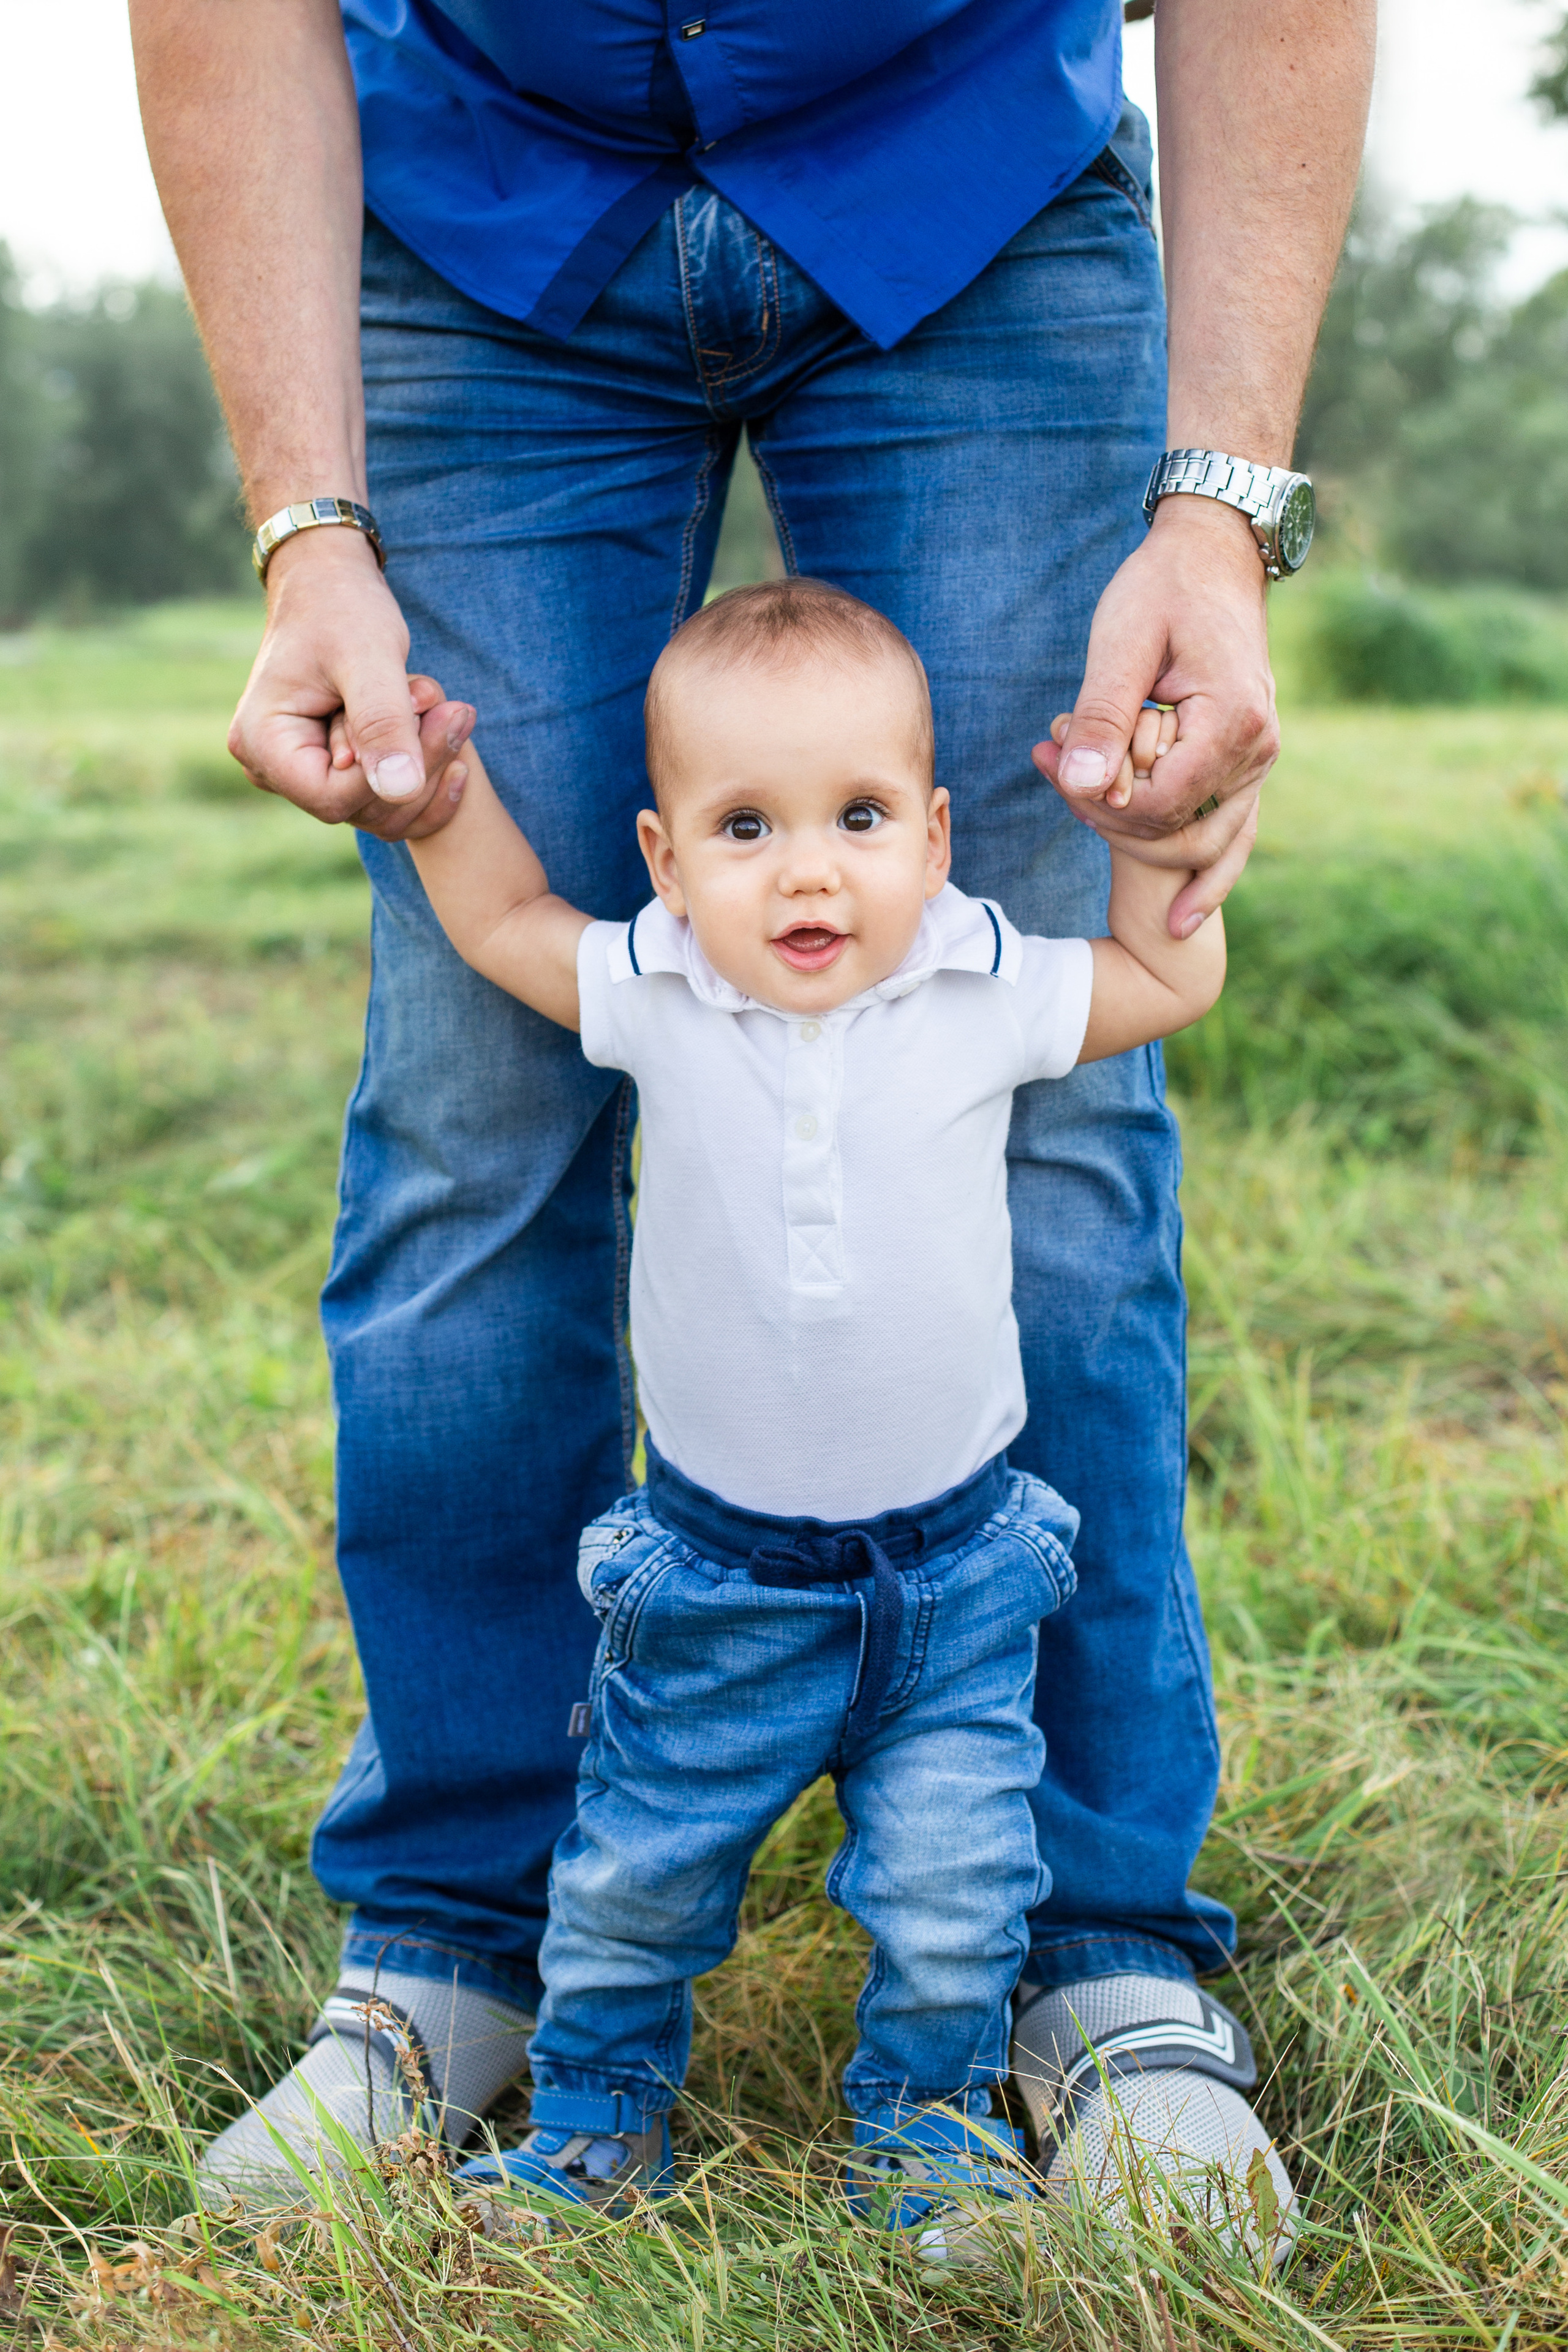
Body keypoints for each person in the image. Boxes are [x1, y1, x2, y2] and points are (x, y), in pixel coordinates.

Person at [129, 0, 1374, 2209]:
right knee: (469, 1125)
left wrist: (1221, 508)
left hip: (970, 194)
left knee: (1053, 1139)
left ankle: (1095, 1951)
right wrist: (309, 532)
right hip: (485, 220)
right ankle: (453, 1940)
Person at [406, 576, 1235, 2250]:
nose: (806, 869)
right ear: (663, 860)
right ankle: (593, 2110)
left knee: (955, 1886)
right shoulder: (656, 984)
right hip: (717, 1582)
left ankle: (923, 2119)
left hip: (959, 1572)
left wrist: (1158, 841)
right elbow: (503, 928)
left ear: (935, 837)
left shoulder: (977, 982)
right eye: (745, 826)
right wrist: (443, 807)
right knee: (638, 1869)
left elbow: (1164, 980)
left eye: (858, 816)